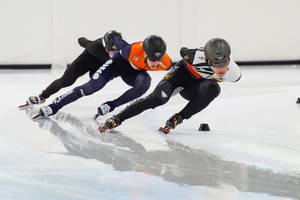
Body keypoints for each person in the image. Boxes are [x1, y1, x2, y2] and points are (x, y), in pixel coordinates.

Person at [99, 38, 242, 133]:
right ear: (208, 60)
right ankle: (118, 118)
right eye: (217, 65)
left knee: (213, 88)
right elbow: (183, 51)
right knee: (158, 98)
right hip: (180, 76)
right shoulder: (195, 56)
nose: (222, 69)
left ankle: (178, 117)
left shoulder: (234, 73)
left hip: (195, 89)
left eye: (225, 64)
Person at [35, 35, 172, 118]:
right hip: (115, 66)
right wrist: (89, 43)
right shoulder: (132, 49)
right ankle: (55, 105)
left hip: (133, 73)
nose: (155, 64)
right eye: (152, 60)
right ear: (145, 53)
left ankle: (111, 105)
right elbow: (114, 39)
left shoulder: (165, 62)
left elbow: (176, 71)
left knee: (145, 84)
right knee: (91, 88)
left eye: (158, 61)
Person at [20, 30, 122, 108]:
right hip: (85, 61)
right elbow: (82, 41)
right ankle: (42, 96)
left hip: (100, 65)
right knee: (66, 80)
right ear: (104, 45)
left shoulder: (123, 48)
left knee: (97, 82)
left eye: (116, 50)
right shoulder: (94, 46)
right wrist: (83, 40)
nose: (113, 53)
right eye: (111, 50)